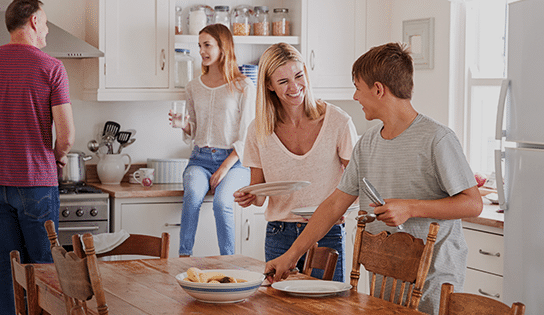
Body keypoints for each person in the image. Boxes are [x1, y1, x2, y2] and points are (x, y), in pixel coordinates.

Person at [263, 42, 482, 314]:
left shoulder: (437, 138)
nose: (355, 96)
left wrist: (409, 208)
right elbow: (334, 205)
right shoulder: (367, 143)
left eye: (357, 87)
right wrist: (290, 256)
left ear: (378, 90)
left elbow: (473, 204)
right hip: (387, 275)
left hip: (432, 278)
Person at [0, 1, 75, 314]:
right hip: (36, 184)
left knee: (7, 269)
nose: (47, 29)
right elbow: (67, 137)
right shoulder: (51, 67)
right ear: (34, 21)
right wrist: (58, 158)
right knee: (45, 269)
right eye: (46, 23)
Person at [233, 43, 357, 282]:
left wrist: (342, 209)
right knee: (279, 306)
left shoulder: (338, 121)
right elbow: (259, 194)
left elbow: (356, 179)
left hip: (326, 233)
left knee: (328, 307)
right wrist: (249, 196)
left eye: (298, 76)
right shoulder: (258, 130)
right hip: (279, 232)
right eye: (283, 82)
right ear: (269, 86)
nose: (294, 87)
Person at [174, 23, 255, 257]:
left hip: (234, 163)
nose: (202, 51)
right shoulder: (193, 87)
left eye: (207, 45)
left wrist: (223, 169)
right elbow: (195, 129)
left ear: (223, 47)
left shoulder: (243, 86)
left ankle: (228, 261)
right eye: (200, 46)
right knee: (192, 198)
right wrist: (184, 125)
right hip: (199, 160)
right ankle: (183, 257)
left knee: (222, 204)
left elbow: (247, 135)